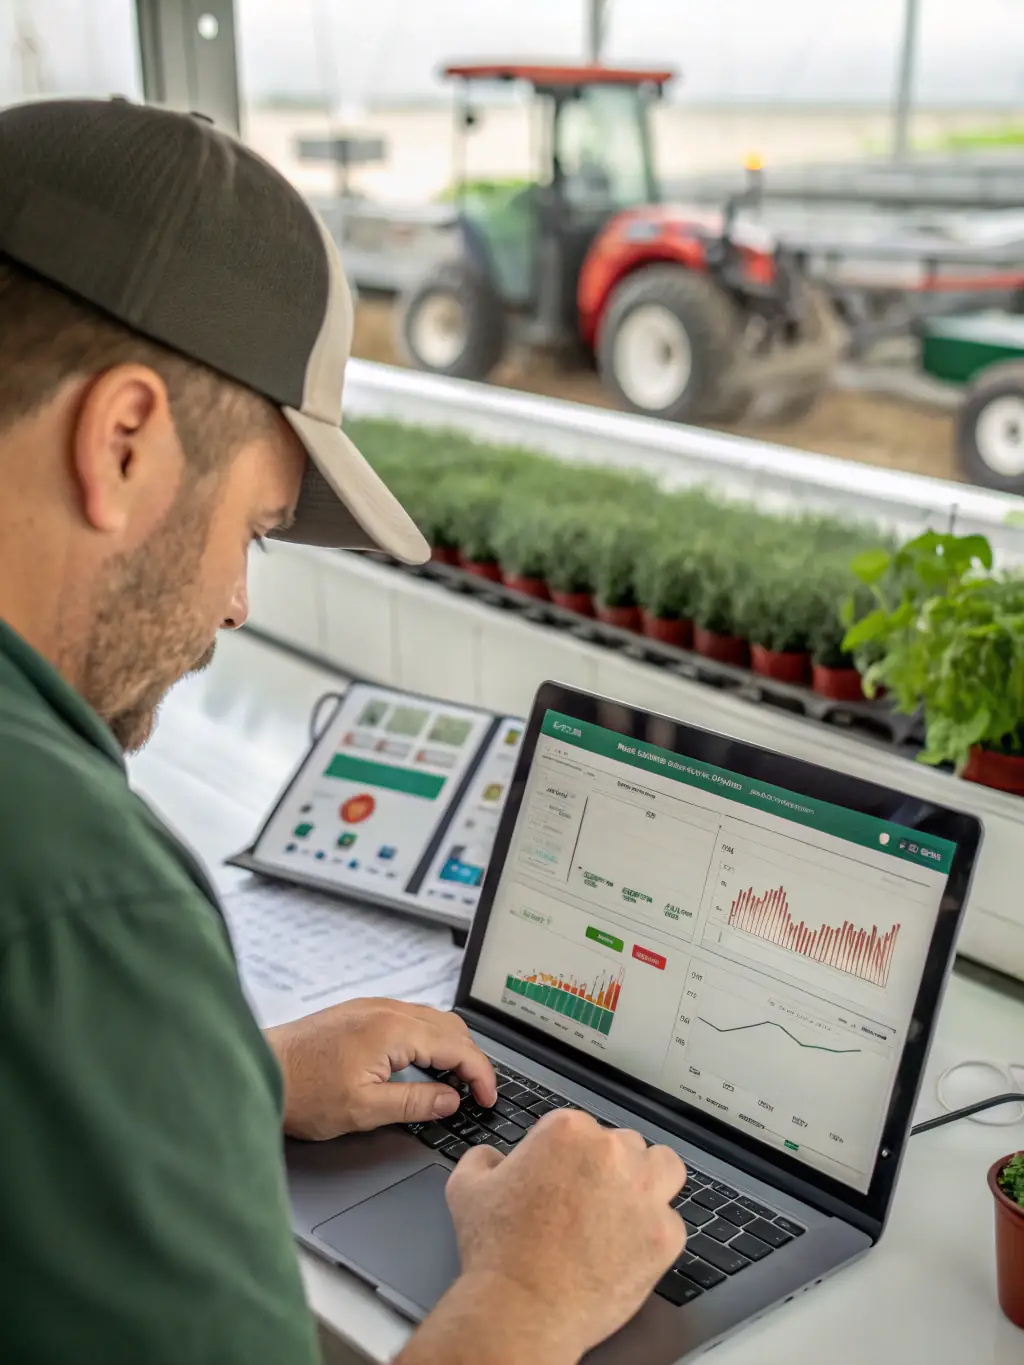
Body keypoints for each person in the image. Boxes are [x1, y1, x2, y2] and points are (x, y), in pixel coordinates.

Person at [0, 98, 687, 1365]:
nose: (236, 605)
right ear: (124, 440)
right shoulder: (80, 896)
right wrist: (528, 1296)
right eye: (254, 529)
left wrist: (218, 1080)